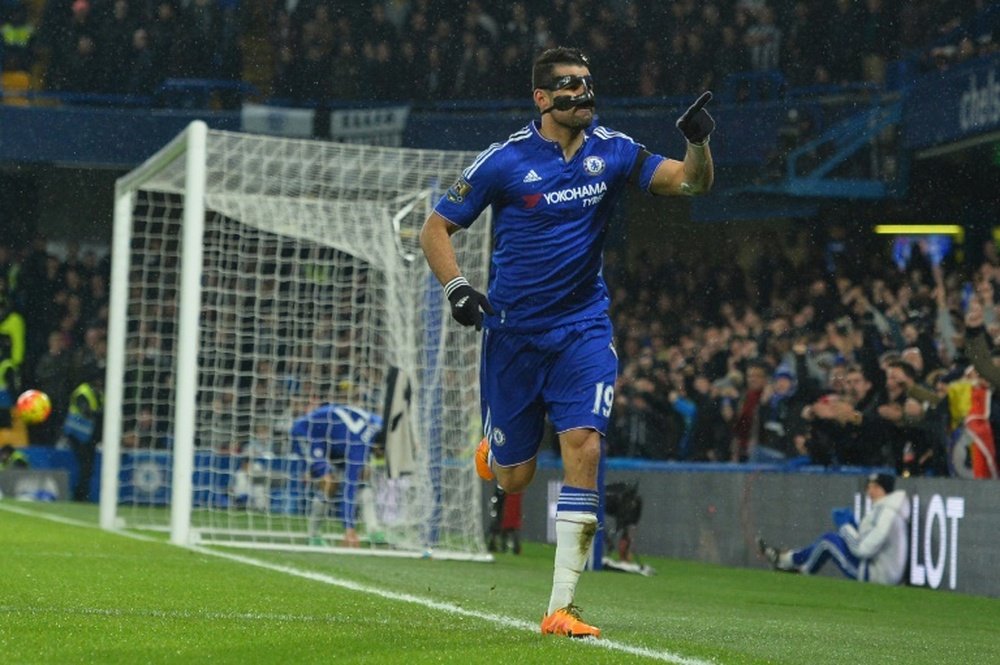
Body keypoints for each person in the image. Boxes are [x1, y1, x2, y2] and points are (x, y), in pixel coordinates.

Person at [419, 46, 714, 638]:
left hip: (583, 329)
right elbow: (436, 226)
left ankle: (560, 607)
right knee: (514, 479)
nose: (584, 93)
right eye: (570, 85)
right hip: (513, 336)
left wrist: (699, 143)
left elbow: (689, 184)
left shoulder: (615, 150)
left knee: (584, 444)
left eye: (587, 82)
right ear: (542, 98)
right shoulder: (503, 161)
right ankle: (495, 449)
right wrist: (456, 287)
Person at [756, 472, 910, 585]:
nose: (870, 491)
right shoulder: (886, 509)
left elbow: (863, 549)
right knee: (829, 541)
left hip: (879, 575)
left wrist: (845, 527)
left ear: (885, 489)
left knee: (828, 541)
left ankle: (794, 569)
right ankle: (787, 561)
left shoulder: (887, 513)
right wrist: (853, 528)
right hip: (881, 570)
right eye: (868, 487)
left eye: (875, 487)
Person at [290, 401, 385, 548]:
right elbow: (349, 490)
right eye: (382, 454)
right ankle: (312, 535)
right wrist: (349, 529)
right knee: (329, 483)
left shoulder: (380, 424)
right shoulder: (359, 447)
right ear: (378, 447)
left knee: (364, 474)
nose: (382, 458)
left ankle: (373, 529)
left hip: (335, 440)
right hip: (308, 433)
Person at [60, 364, 104, 502]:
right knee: (85, 465)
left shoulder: (99, 393)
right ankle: (79, 495)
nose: (101, 382)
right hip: (76, 434)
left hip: (88, 436)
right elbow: (85, 411)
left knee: (87, 466)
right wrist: (100, 414)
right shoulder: (83, 392)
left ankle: (82, 494)